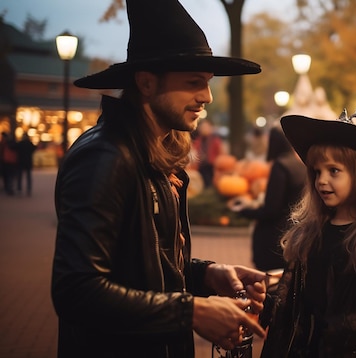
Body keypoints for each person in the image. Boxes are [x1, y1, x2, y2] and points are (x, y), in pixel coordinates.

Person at [51, 1, 267, 357]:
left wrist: (207, 275)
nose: (207, 97)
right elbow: (77, 290)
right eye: (194, 83)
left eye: (208, 84)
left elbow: (142, 266)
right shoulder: (105, 157)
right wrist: (191, 311)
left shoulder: (155, 156)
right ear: (147, 83)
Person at [259, 106, 356, 357]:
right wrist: (267, 304)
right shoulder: (311, 233)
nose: (321, 180)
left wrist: (333, 330)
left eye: (334, 171)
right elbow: (294, 293)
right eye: (317, 172)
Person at [229, 125, 307, 271]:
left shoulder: (280, 166)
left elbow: (271, 209)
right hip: (294, 233)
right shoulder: (300, 165)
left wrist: (243, 211)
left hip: (274, 239)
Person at [192, 118, 223, 188]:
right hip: (201, 166)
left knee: (210, 183)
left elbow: (220, 154)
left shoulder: (215, 140)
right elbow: (195, 152)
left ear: (211, 128)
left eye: (206, 127)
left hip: (212, 167)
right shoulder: (198, 141)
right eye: (202, 127)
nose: (204, 129)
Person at [0, 131, 17, 196]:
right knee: (11, 176)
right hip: (12, 161)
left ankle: (8, 188)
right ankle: (9, 188)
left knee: (7, 176)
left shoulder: (4, 143)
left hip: (6, 161)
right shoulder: (14, 144)